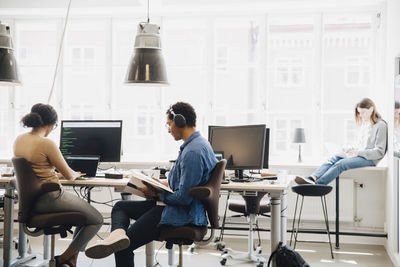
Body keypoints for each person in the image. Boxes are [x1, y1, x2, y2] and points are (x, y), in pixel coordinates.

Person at [85, 102, 218, 267]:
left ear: (179, 122)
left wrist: (157, 194)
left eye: (169, 124)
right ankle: (116, 237)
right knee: (120, 206)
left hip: (180, 213)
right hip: (173, 206)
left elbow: (184, 198)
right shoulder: (197, 145)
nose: (168, 129)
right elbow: (185, 186)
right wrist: (159, 185)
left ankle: (118, 240)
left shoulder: (193, 152)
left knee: (123, 248)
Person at [13, 103, 103, 267]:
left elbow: (34, 170)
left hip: (32, 200)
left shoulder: (19, 139)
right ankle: (63, 258)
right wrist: (75, 173)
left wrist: (54, 173)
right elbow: (70, 175)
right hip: (50, 198)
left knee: (86, 217)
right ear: (49, 124)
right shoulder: (46, 143)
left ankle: (72, 260)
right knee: (97, 219)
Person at [295, 98, 387, 185]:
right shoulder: (366, 125)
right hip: (361, 156)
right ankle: (313, 177)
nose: (361, 115)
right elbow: (360, 146)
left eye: (363, 112)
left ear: (371, 109)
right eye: (360, 113)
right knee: (335, 157)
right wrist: (349, 149)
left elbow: (379, 152)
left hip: (370, 160)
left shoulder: (381, 125)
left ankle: (318, 184)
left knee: (341, 164)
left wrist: (358, 152)